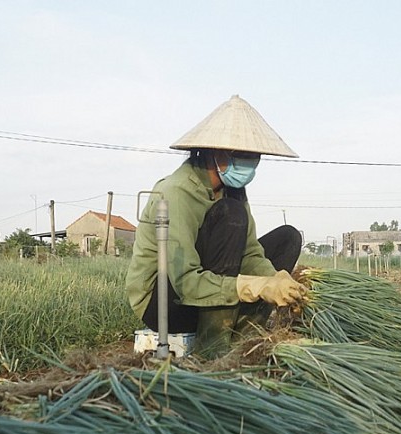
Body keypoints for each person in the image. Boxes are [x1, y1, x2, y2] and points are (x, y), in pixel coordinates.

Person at [126, 95, 306, 359]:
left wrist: (274, 279)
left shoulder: (234, 190)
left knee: (287, 238)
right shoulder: (177, 192)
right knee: (229, 215)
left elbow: (250, 252)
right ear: (216, 152)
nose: (251, 162)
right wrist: (255, 287)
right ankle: (212, 349)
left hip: (207, 287)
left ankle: (244, 334)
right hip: (166, 302)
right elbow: (186, 282)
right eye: (243, 155)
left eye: (254, 156)